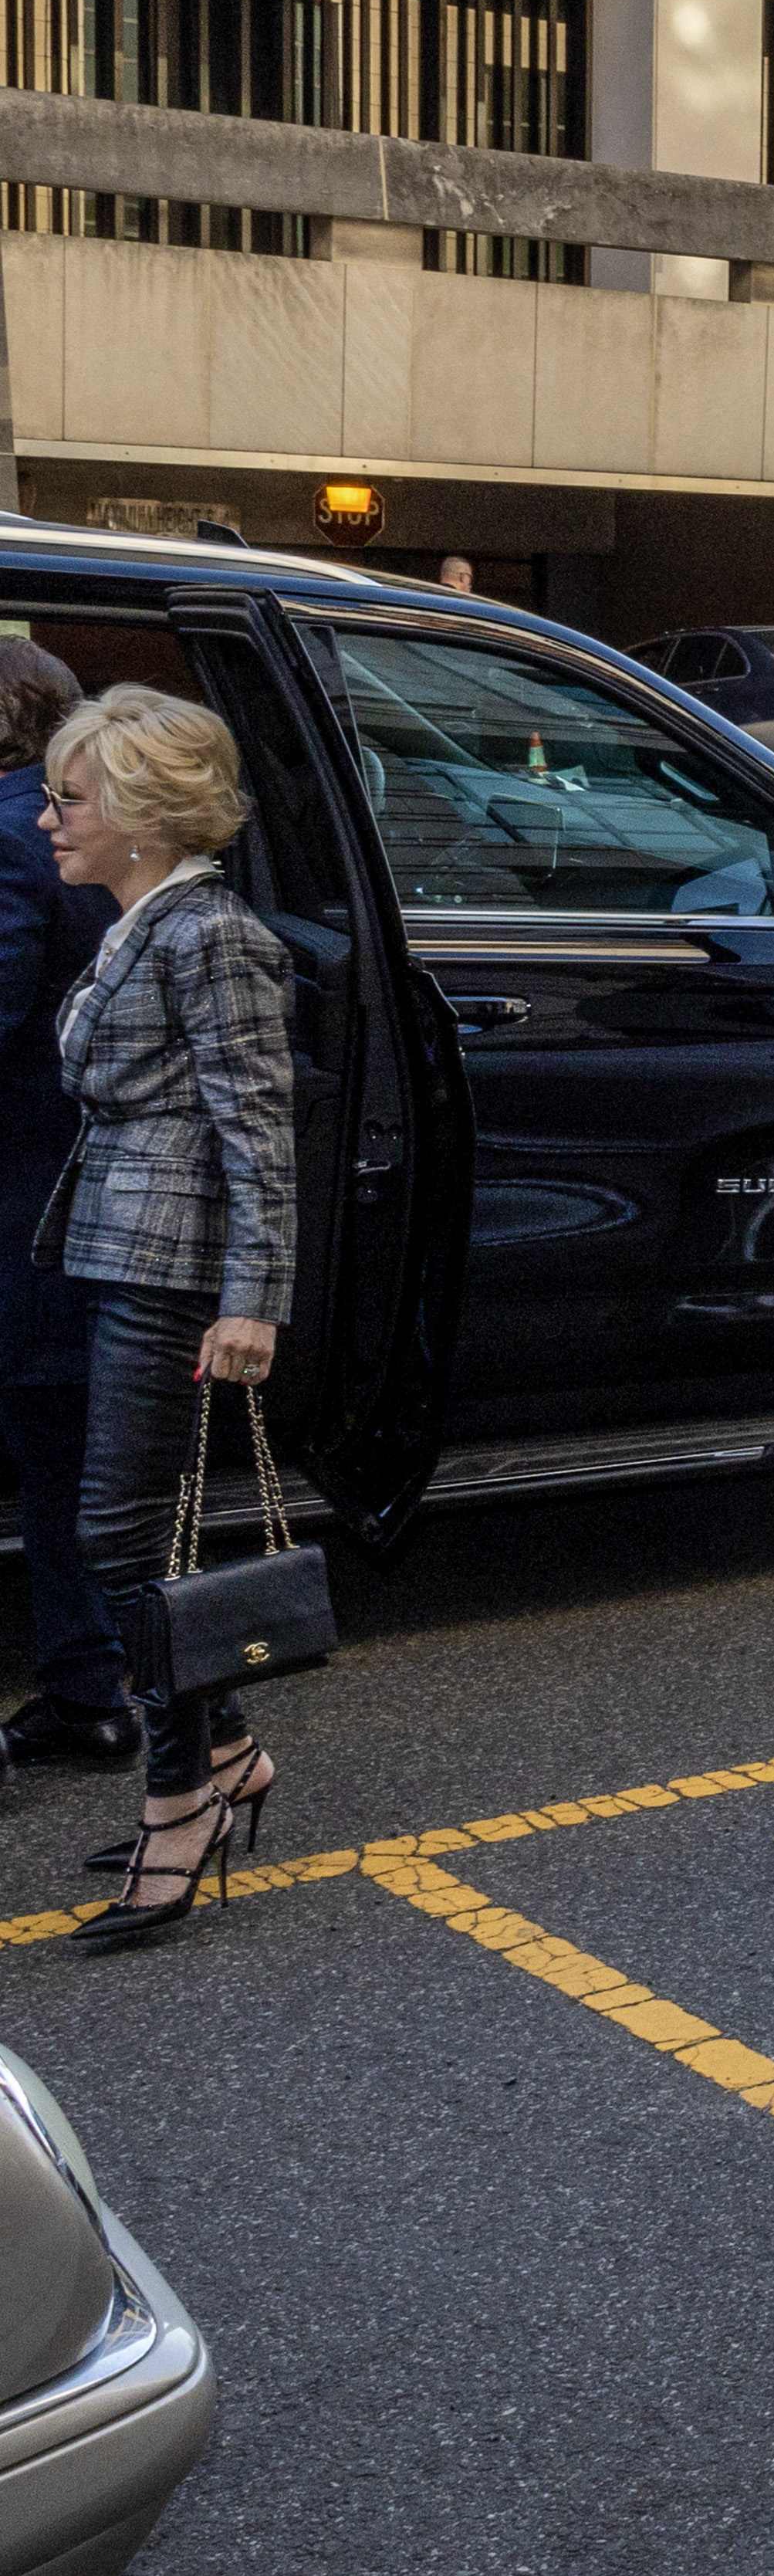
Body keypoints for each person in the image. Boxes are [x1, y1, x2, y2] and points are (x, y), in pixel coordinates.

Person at [38, 685, 296, 1948]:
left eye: (69, 798)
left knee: (117, 1539)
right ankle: (228, 1750)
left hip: (176, 1270)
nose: (46, 819)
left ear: (139, 812)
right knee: (122, 1536)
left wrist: (254, 1302)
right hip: (123, 1255)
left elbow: (261, 1133)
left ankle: (180, 1797)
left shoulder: (210, 935)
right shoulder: (143, 922)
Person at [0, 640, 124, 1777]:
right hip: (69, 1204)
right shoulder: (77, 838)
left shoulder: (9, 837)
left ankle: (107, 1695)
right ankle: (92, 1691)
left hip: (24, 1203)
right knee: (62, 1462)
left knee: (61, 1456)